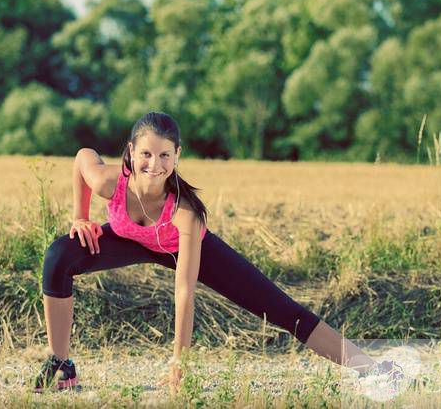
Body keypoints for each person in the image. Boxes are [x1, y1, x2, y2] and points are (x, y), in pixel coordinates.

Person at [33, 111, 402, 395]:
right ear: (131, 152)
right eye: (145, 153)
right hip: (130, 237)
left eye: (164, 155)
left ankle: (372, 368)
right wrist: (80, 217)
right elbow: (83, 157)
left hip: (181, 248)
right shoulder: (110, 182)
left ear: (177, 155)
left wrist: (180, 359)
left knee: (280, 308)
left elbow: (184, 291)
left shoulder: (185, 213)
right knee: (60, 255)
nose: (154, 164)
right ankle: (61, 365)